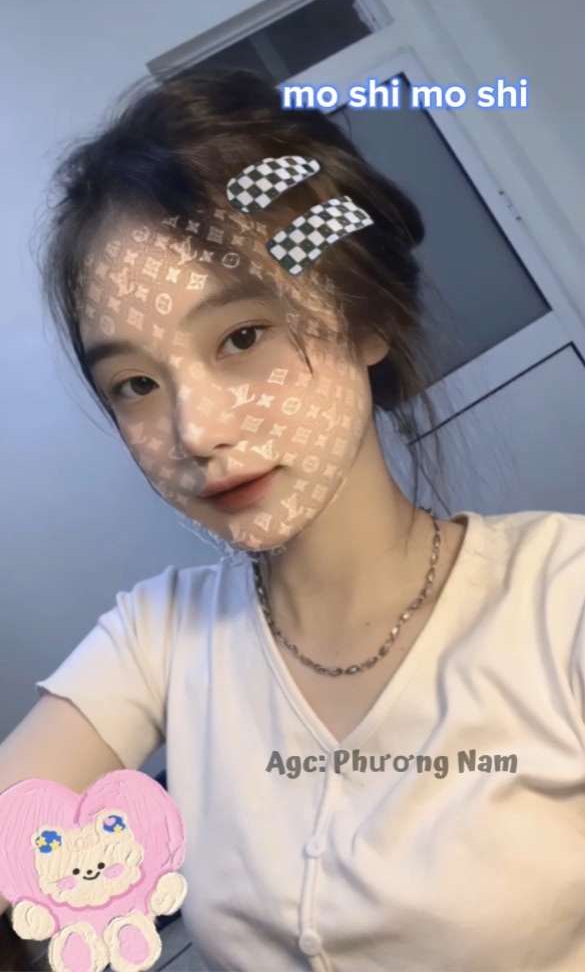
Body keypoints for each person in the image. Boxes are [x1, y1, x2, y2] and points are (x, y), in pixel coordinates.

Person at [1, 68, 585, 972]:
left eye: (242, 337)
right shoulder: (157, 639)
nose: (196, 431)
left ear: (364, 319)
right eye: (136, 385)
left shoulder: (561, 602)